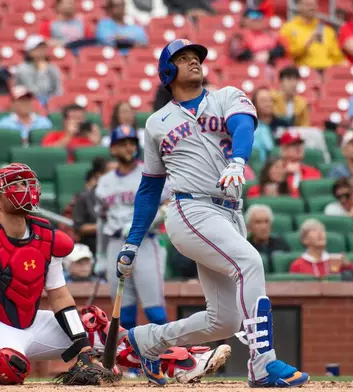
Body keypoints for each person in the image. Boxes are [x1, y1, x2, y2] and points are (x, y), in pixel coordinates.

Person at [114, 39, 308, 387]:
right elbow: (149, 187)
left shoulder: (226, 96)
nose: (194, 63)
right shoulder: (157, 123)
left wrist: (238, 159)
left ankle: (145, 341)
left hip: (230, 213)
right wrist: (132, 242)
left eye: (196, 58)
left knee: (224, 322)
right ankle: (263, 364)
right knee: (249, 263)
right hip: (190, 209)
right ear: (168, 71)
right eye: (184, 59)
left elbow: (243, 127)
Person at [0, 164, 231, 385]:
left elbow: (59, 296)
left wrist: (83, 346)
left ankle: (181, 362)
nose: (27, 188)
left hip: (31, 321)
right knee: (8, 368)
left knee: (94, 325)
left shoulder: (45, 237)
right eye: (15, 186)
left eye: (27, 182)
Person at [95, 125, 169, 331]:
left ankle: (171, 357)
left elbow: (168, 205)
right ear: (112, 149)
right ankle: (130, 361)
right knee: (123, 313)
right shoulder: (104, 182)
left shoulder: (150, 172)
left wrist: (144, 222)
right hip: (115, 243)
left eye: (131, 143)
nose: (128, 148)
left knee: (154, 310)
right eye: (122, 144)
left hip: (144, 241)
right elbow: (102, 220)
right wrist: (100, 254)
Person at [278, 0, 344, 70]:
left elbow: (338, 57)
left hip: (328, 71)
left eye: (314, 5)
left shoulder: (327, 30)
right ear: (299, 6)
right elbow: (287, 54)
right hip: (303, 72)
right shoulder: (288, 28)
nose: (311, 8)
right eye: (308, 5)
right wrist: (308, 42)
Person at [289, 219, 353, 278]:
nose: (320, 233)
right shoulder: (298, 265)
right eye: (314, 230)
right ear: (304, 240)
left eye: (322, 230)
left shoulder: (336, 261)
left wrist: (348, 266)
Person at [15, 35, 63, 105]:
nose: (42, 51)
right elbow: (34, 92)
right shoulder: (22, 68)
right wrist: (41, 72)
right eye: (38, 48)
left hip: (51, 103)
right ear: (29, 52)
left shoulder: (52, 67)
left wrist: (54, 102)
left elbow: (58, 90)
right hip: (29, 104)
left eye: (43, 48)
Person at [245, 204, 290, 270]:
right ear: (249, 226)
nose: (263, 227)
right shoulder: (245, 246)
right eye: (258, 222)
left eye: (266, 222)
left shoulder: (281, 244)